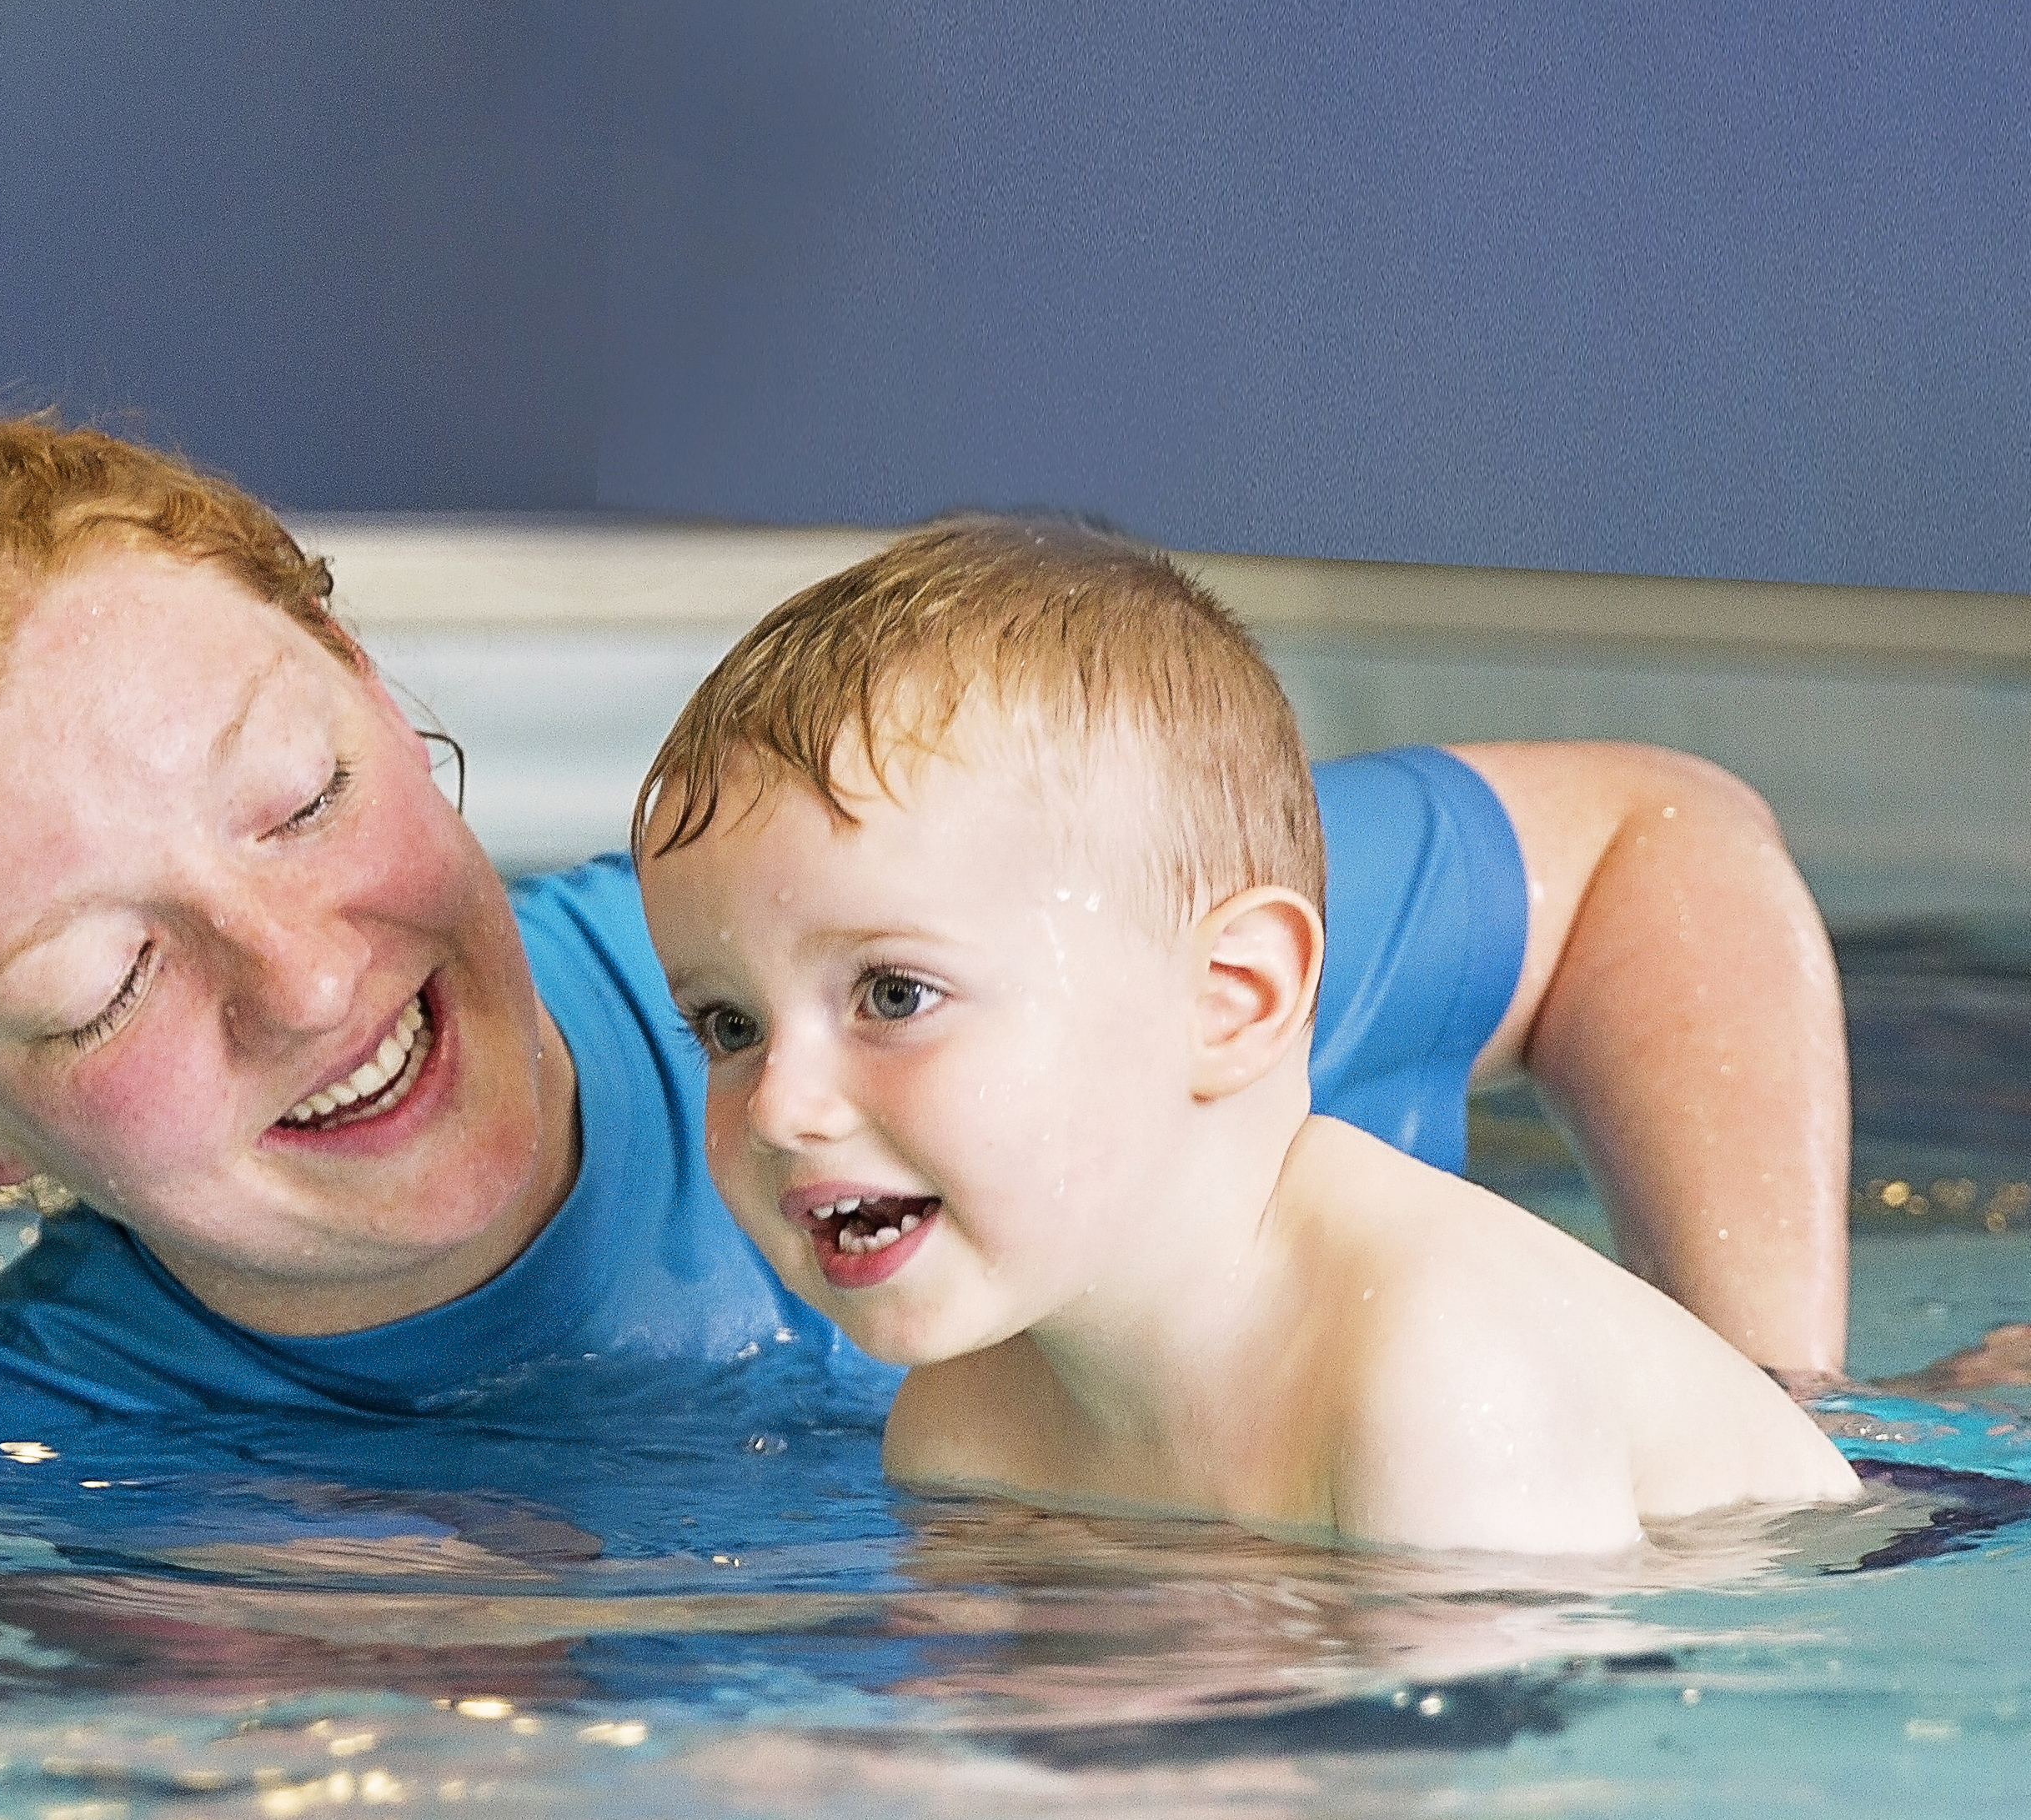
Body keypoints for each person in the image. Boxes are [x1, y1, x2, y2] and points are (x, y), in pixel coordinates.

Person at [0, 418, 1851, 1465]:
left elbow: (1656, 846)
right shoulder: (78, 1456)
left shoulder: (943, 946)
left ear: (381, 688)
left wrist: (1769, 1408)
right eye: (94, 985)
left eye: (304, 796)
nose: (305, 975)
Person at [628, 518, 1857, 1549]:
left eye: (893, 995)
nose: (782, 1104)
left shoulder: (1435, 1378)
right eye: (727, 1024)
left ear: (1235, 998)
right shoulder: (965, 1418)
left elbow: (1485, 1817)